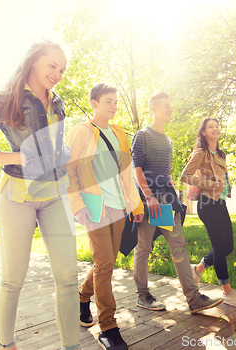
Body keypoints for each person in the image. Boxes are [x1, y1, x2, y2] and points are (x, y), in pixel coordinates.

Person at [0, 38, 80, 350]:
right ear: (33, 62)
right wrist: (14, 157)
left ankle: (72, 346)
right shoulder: (1, 101)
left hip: (55, 193)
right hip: (17, 196)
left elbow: (57, 145)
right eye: (52, 66)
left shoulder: (58, 103)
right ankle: (7, 345)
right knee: (13, 279)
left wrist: (65, 152)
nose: (58, 73)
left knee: (69, 276)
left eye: (62, 69)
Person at [67, 83, 144, 350]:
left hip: (118, 206)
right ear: (94, 103)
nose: (113, 105)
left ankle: (81, 296)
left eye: (115, 101)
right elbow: (70, 171)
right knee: (104, 264)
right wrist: (78, 206)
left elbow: (126, 172)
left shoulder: (119, 133)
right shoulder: (81, 132)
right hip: (94, 205)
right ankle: (108, 328)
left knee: (108, 261)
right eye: (108, 101)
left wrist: (135, 206)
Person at [130, 92, 223, 314]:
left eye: (170, 106)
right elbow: (137, 169)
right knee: (144, 248)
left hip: (166, 200)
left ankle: (193, 299)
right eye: (165, 106)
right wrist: (148, 196)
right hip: (149, 200)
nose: (170, 109)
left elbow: (166, 172)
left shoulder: (168, 140)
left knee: (178, 246)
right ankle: (142, 295)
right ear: (153, 108)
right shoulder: (142, 135)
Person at [180, 117, 236, 308]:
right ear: (203, 132)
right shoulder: (200, 153)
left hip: (220, 203)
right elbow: (185, 176)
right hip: (207, 203)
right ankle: (227, 292)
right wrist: (210, 184)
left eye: (217, 126)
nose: (215, 129)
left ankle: (198, 268)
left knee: (228, 247)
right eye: (210, 127)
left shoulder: (220, 154)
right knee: (220, 248)